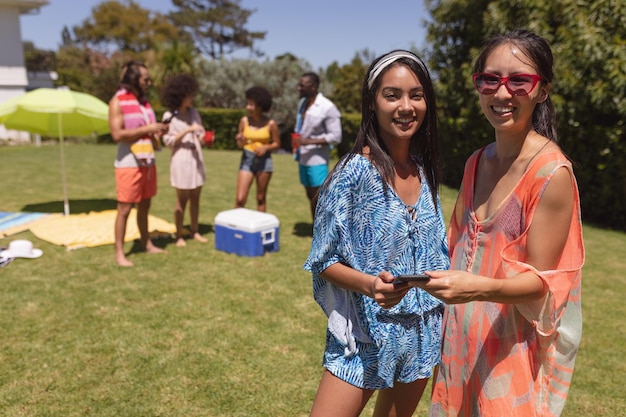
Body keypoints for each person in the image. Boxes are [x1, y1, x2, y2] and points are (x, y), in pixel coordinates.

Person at [415, 30, 585, 416]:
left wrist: (477, 288)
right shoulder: (476, 161)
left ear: (542, 91)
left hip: (511, 354)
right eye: (490, 79)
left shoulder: (550, 173)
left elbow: (541, 286)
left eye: (519, 81)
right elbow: (455, 248)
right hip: (460, 341)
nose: (502, 93)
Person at [303, 50, 449, 417]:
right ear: (372, 103)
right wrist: (371, 285)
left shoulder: (424, 172)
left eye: (416, 95)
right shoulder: (353, 173)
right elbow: (323, 261)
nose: (406, 106)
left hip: (422, 330)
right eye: (392, 95)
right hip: (365, 334)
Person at [109, 60, 168, 267]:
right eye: (145, 79)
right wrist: (147, 129)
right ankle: (119, 253)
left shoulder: (144, 103)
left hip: (147, 162)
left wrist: (157, 131)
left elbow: (147, 128)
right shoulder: (117, 101)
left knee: (145, 206)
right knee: (124, 209)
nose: (149, 82)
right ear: (133, 79)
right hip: (128, 163)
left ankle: (146, 244)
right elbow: (117, 134)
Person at [161, 73, 208, 247]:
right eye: (190, 95)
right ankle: (179, 234)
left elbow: (200, 133)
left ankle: (195, 231)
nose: (192, 98)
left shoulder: (194, 113)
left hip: (196, 157)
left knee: (196, 197)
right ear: (181, 95)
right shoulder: (169, 116)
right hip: (180, 158)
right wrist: (187, 131)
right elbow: (169, 142)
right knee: (182, 199)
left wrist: (203, 138)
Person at [295, 72, 342, 220]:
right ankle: (315, 230)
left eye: (302, 85)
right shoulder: (303, 104)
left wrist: (308, 141)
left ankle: (325, 233)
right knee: (310, 195)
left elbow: (336, 136)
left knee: (319, 198)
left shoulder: (327, 107)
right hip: (303, 158)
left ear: (313, 87)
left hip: (318, 160)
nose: (299, 88)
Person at [234, 86, 280, 212]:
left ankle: (261, 229)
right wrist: (240, 140)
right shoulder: (244, 121)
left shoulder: (270, 124)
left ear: (260, 106)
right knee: (240, 199)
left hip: (264, 162)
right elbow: (239, 145)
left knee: (260, 197)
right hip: (247, 160)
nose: (247, 107)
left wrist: (266, 147)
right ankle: (235, 227)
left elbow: (277, 143)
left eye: (251, 105)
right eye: (247, 104)